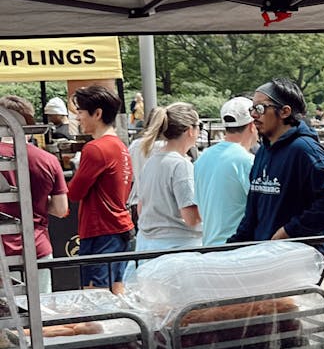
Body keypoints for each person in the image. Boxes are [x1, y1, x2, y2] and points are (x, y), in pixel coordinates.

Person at [229, 78, 324, 255]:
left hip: (299, 258)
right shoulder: (264, 151)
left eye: (260, 108)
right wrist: (229, 248)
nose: (254, 115)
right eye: (252, 108)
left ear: (285, 111)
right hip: (265, 253)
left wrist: (290, 231)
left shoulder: (304, 150)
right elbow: (252, 213)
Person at [66, 85, 134, 293]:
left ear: (97, 113)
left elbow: (75, 193)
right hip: (120, 228)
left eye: (80, 113)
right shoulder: (120, 146)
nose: (78, 119)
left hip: (100, 231)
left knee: (95, 298)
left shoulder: (95, 148)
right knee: (116, 292)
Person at [0, 95, 68, 293]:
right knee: (40, 315)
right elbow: (60, 209)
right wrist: (34, 199)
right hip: (36, 248)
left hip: (3, 251)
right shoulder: (47, 160)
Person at [131, 102, 203, 252]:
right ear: (190, 130)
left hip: (147, 246)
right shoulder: (181, 165)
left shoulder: (151, 161)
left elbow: (141, 208)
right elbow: (191, 218)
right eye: (199, 126)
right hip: (177, 248)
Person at [194, 97, 256, 246]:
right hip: (237, 249)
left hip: (209, 246)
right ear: (252, 125)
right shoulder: (247, 161)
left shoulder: (202, 158)